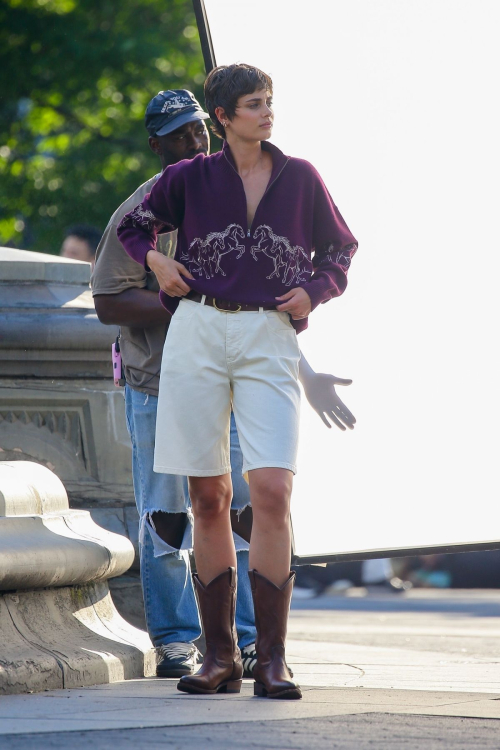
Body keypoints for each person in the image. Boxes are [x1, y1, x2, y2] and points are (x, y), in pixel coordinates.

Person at [92, 88, 355, 681]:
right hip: (159, 376)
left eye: (195, 130)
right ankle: (183, 643)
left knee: (255, 501)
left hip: (248, 361)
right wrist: (192, 300)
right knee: (170, 516)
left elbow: (301, 273)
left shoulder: (285, 178)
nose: (192, 141)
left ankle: (255, 647)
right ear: (156, 143)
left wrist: (300, 359)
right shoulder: (158, 195)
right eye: (179, 134)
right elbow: (108, 298)